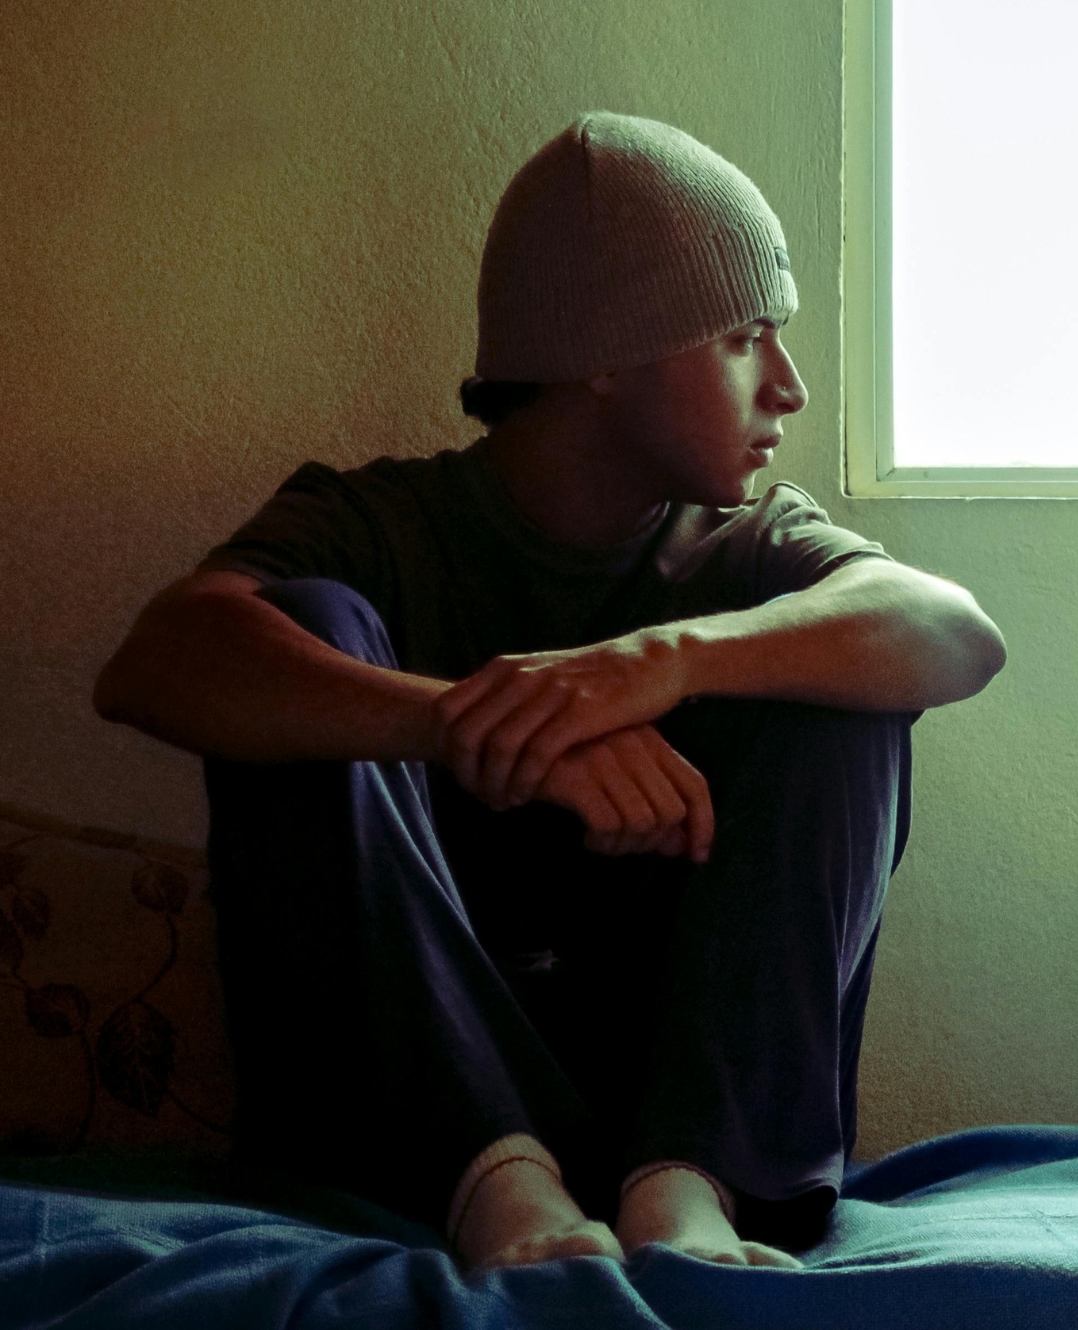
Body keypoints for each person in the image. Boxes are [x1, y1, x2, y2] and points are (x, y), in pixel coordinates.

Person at [93, 113, 1006, 1273]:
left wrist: (648, 666)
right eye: (743, 337)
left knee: (846, 673)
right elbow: (157, 661)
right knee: (301, 636)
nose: (791, 386)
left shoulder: (748, 545)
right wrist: (461, 723)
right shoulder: (377, 523)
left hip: (668, 1136)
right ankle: (496, 1176)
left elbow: (955, 636)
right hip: (402, 1135)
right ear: (609, 356)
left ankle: (691, 1187)